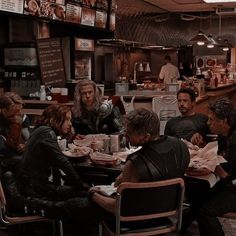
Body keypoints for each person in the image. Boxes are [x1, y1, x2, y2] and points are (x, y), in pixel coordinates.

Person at [16, 104, 97, 234]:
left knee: (87, 193)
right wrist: (81, 184)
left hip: (33, 185)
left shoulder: (41, 130)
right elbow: (62, 161)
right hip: (36, 189)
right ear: (55, 119)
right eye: (67, 120)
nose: (70, 124)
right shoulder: (46, 133)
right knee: (87, 196)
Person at [90, 108, 190, 213]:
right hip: (170, 210)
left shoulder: (135, 163)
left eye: (129, 133)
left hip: (140, 219)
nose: (125, 135)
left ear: (146, 136)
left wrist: (93, 195)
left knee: (82, 203)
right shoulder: (181, 146)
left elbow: (119, 208)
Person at [195, 98, 236, 236]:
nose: (208, 123)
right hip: (229, 183)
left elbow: (230, 178)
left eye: (211, 120)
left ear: (223, 120)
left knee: (206, 210)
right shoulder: (224, 135)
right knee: (197, 197)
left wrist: (220, 172)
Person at [0, 92, 30, 172]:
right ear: (4, 110)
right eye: (16, 110)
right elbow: (4, 147)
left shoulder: (22, 118)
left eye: (21, 109)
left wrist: (25, 145)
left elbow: (29, 139)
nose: (19, 113)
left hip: (14, 155)